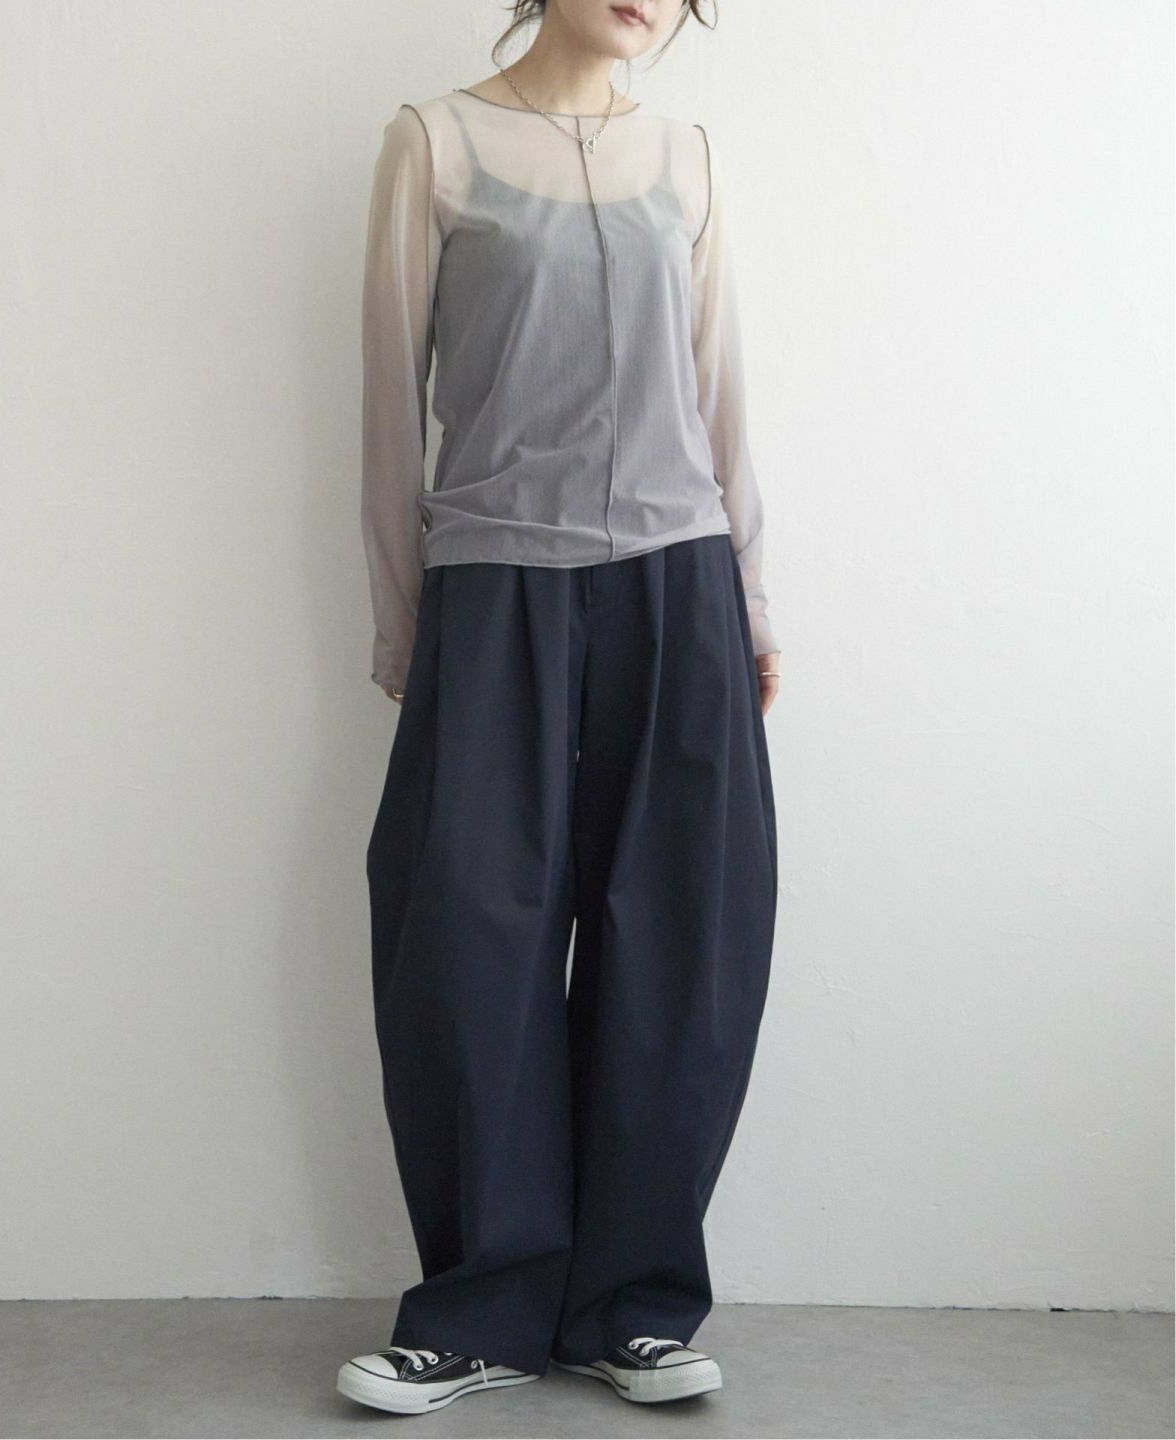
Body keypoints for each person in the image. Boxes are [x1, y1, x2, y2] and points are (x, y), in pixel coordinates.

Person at [337, 0, 781, 1416]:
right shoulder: (434, 145)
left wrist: (753, 601)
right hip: (493, 587)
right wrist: (405, 620)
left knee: (683, 942)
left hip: (679, 581)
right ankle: (478, 1310)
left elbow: (719, 387)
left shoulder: (688, 156)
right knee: (465, 939)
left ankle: (631, 1309)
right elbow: (389, 406)